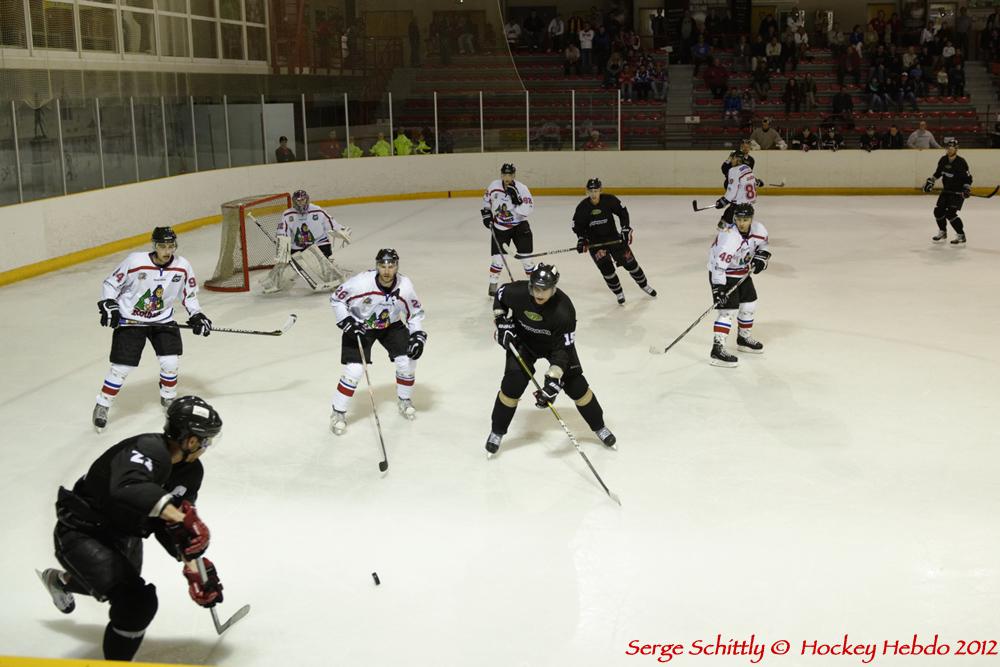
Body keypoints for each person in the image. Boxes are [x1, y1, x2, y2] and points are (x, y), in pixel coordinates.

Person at [37, 396, 224, 661]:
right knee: (136, 604)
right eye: (206, 441)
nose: (206, 447)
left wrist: (195, 566)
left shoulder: (191, 472)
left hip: (126, 537)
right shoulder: (146, 449)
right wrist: (179, 517)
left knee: (116, 588)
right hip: (82, 533)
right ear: (191, 441)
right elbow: (128, 487)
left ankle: (60, 581)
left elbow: (173, 524)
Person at [485, 264, 615, 455]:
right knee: (512, 386)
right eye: (535, 288)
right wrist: (501, 321)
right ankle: (497, 431)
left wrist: (553, 380)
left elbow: (563, 352)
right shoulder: (517, 292)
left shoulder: (564, 311)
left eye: (544, 289)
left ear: (553, 288)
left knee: (578, 388)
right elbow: (500, 295)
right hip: (524, 343)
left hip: (556, 348)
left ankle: (599, 427)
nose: (539, 294)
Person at [93, 227, 211, 431]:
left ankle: (168, 398)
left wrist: (196, 314)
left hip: (162, 320)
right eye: (162, 246)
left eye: (171, 246)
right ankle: (103, 404)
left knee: (170, 362)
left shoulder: (182, 266)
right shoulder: (135, 262)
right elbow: (111, 284)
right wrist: (109, 303)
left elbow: (189, 294)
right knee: (121, 368)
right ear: (154, 246)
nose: (167, 251)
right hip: (131, 321)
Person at [329, 249, 427, 434]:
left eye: (391, 266)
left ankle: (404, 400)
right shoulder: (361, 283)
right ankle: (338, 412)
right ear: (377, 266)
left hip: (391, 324)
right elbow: (336, 299)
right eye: (383, 266)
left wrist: (417, 334)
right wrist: (347, 321)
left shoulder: (405, 286)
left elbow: (415, 312)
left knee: (407, 360)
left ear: (397, 266)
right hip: (360, 326)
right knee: (355, 370)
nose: (387, 271)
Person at [571, 178, 656, 305]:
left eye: (596, 190)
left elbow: (622, 212)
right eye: (591, 191)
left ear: (600, 190)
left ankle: (644, 285)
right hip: (596, 244)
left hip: (614, 239)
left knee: (631, 264)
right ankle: (618, 293)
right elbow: (578, 227)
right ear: (587, 191)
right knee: (607, 270)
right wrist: (582, 239)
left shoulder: (609, 200)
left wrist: (625, 228)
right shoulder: (582, 207)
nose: (594, 194)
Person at [707, 204, 770, 367]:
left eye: (746, 219)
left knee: (749, 304)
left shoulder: (759, 230)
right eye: (739, 219)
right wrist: (719, 289)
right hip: (723, 274)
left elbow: (763, 247)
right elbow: (719, 266)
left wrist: (761, 258)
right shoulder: (729, 238)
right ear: (734, 218)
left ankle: (743, 338)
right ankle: (717, 350)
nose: (742, 223)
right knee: (728, 311)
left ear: (752, 219)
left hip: (742, 272)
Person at [261, 190, 352, 294]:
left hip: (319, 243)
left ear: (307, 199)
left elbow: (331, 223)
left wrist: (339, 230)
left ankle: (336, 280)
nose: (301, 203)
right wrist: (283, 245)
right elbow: (283, 232)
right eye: (298, 200)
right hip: (297, 246)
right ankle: (274, 282)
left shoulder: (317, 210)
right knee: (289, 265)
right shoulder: (288, 214)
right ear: (294, 201)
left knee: (318, 260)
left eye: (303, 200)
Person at [481, 163, 535, 297]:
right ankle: (493, 283)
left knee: (526, 260)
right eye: (504, 174)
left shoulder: (522, 188)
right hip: (500, 227)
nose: (507, 178)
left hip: (519, 226)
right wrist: (487, 216)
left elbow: (528, 210)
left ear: (514, 175)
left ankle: (534, 285)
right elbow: (486, 202)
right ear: (501, 175)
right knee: (497, 260)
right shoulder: (493, 186)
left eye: (510, 175)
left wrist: (517, 200)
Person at [924, 139, 973, 244]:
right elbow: (938, 173)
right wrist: (931, 181)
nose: (949, 150)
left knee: (950, 214)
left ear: (956, 149)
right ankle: (943, 232)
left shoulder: (961, 162)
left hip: (958, 192)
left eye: (952, 148)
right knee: (938, 211)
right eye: (948, 148)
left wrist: (966, 189)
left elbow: (968, 178)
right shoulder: (943, 160)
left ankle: (961, 235)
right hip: (946, 190)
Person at [715, 150, 762, 230]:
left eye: (733, 159)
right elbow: (750, 180)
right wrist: (758, 182)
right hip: (749, 206)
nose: (731, 161)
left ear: (738, 159)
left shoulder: (733, 170)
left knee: (723, 226)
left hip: (738, 206)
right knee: (743, 227)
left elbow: (732, 190)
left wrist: (723, 201)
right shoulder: (747, 167)